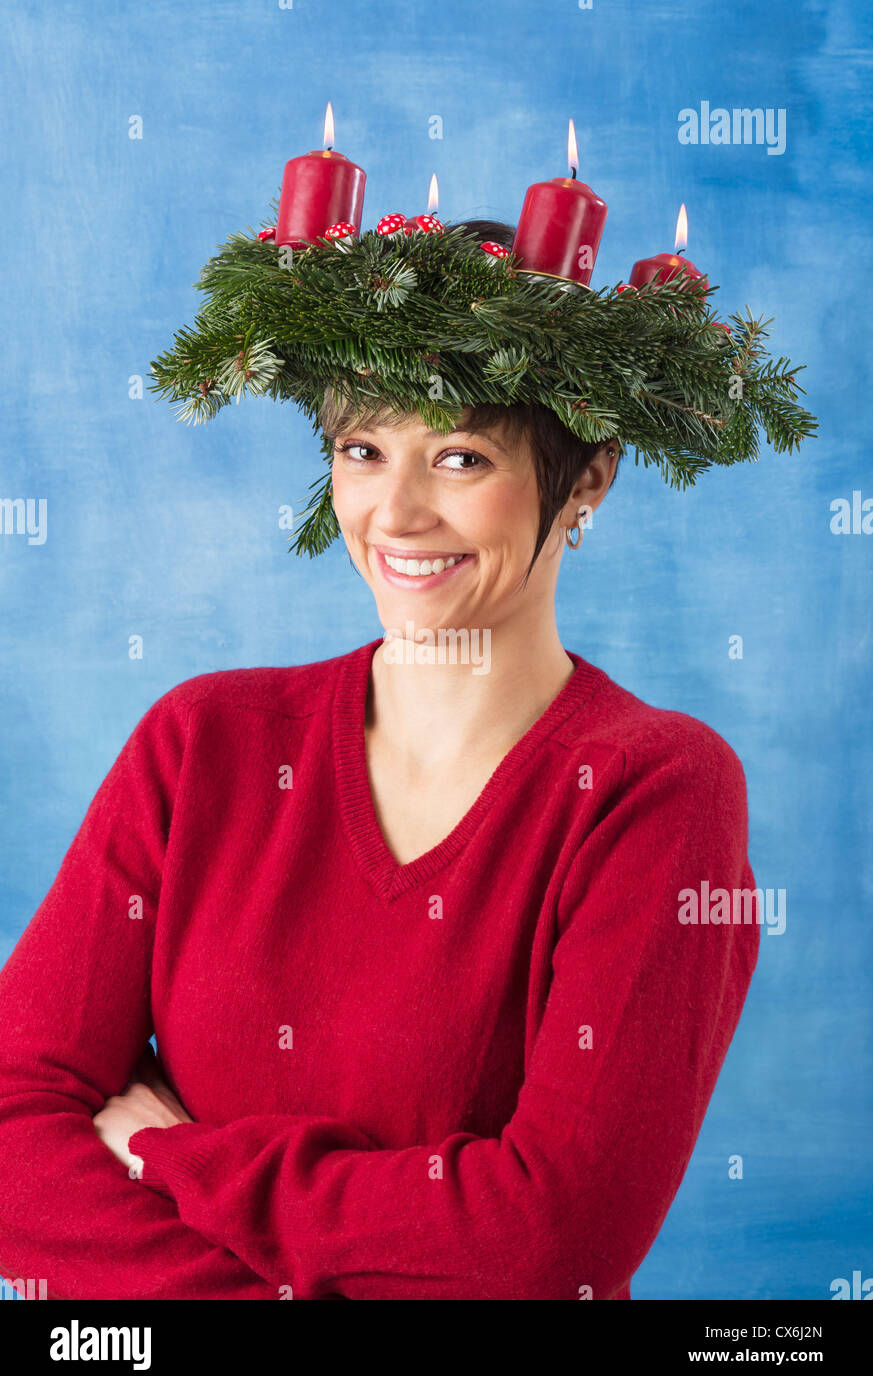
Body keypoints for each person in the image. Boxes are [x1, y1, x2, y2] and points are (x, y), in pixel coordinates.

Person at [0, 219, 770, 1301]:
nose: (395, 512)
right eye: (363, 450)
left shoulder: (653, 788)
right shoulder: (204, 744)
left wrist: (176, 1157)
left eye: (461, 456)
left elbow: (551, 1241)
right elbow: (12, 1123)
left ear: (589, 477)